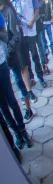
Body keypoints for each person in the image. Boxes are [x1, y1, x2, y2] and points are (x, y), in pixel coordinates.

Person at [1, 0, 36, 122]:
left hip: (12, 54)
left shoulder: (8, 11)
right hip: (4, 57)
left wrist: (8, 52)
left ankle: (28, 109)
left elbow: (15, 36)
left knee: (19, 80)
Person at [0, 11, 33, 150]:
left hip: (1, 64)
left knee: (12, 101)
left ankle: (22, 130)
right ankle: (16, 135)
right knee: (2, 107)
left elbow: (6, 36)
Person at [13, 0, 47, 88]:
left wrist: (32, 21)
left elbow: (37, 8)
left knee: (34, 54)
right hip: (21, 31)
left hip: (31, 29)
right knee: (26, 57)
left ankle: (40, 77)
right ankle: (31, 77)